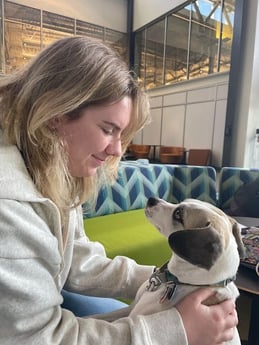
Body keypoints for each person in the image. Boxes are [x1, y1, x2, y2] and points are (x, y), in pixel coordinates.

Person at [0, 36, 238, 345]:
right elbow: (37, 338)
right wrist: (178, 330)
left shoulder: (49, 170)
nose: (116, 150)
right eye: (108, 129)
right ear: (57, 112)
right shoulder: (10, 207)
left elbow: (79, 262)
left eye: (121, 134)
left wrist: (175, 282)